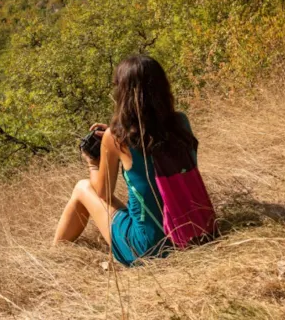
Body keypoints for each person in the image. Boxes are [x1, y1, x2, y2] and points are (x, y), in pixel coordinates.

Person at [53, 54, 200, 266]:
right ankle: (55, 253)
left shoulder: (117, 139)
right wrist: (116, 137)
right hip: (191, 232)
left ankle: (53, 255)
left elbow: (103, 192)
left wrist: (93, 162)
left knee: (82, 188)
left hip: (147, 248)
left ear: (124, 93)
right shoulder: (180, 123)